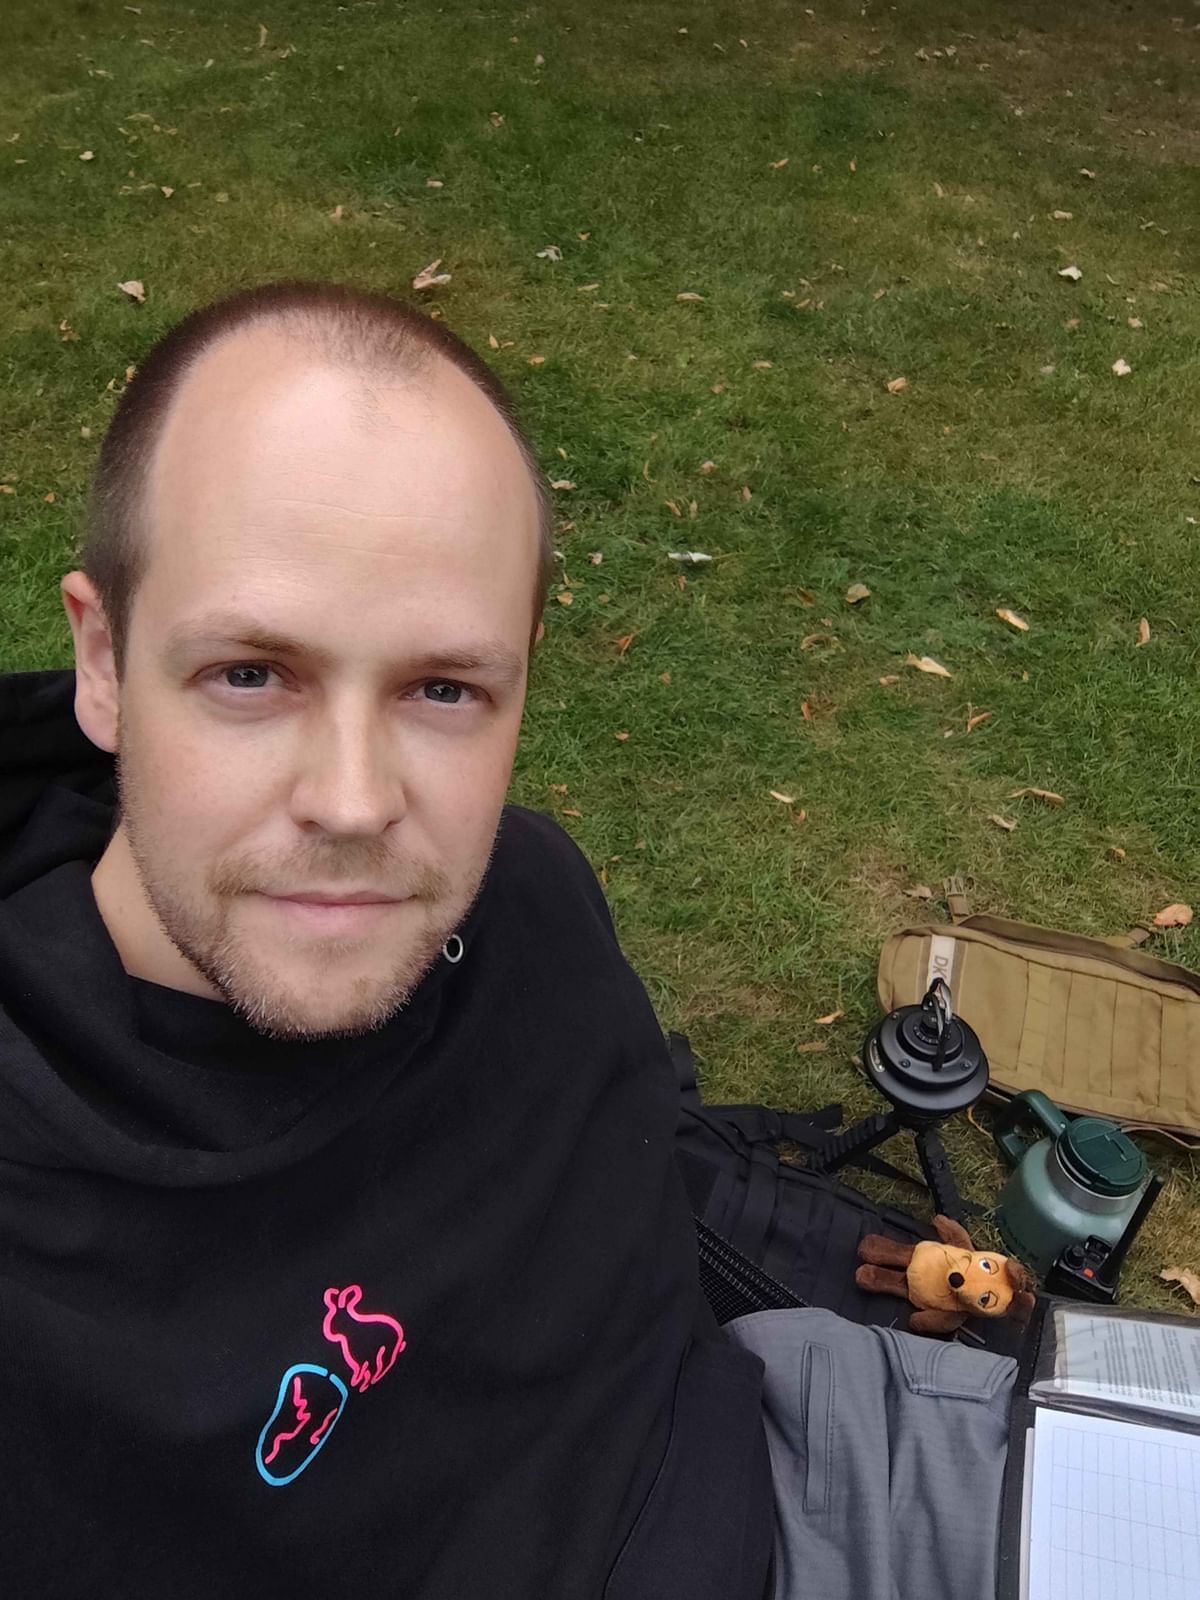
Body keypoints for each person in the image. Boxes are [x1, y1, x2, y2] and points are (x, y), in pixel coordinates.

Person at [0, 283, 774, 1598]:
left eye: (442, 688)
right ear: (104, 664)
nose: (355, 804)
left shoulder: (531, 898)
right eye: (251, 675)